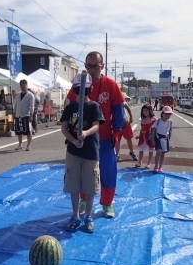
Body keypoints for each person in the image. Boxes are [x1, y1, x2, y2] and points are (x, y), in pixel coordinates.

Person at [66, 52, 124, 218]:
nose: (91, 69)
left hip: (105, 138)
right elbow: (71, 106)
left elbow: (118, 110)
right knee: (85, 171)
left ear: (102, 66)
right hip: (85, 139)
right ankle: (83, 200)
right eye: (88, 66)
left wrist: (116, 132)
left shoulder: (111, 85)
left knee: (107, 171)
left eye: (95, 66)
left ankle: (107, 203)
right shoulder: (79, 84)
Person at [60, 73, 105, 233]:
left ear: (90, 89)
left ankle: (88, 216)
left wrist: (85, 133)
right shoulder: (70, 107)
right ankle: (75, 215)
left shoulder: (94, 106)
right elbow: (64, 128)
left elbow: (97, 125)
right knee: (73, 186)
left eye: (84, 89)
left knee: (90, 186)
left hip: (90, 151)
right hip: (73, 151)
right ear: (74, 89)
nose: (81, 92)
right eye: (78, 89)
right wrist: (73, 140)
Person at [150, 105, 173, 173]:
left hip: (165, 138)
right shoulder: (158, 121)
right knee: (159, 151)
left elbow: (170, 130)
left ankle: (160, 167)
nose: (167, 116)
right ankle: (156, 166)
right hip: (158, 137)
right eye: (166, 114)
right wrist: (153, 139)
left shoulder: (170, 122)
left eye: (169, 114)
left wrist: (169, 138)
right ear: (162, 113)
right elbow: (154, 130)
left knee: (163, 153)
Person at [13, 79, 34, 151]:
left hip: (26, 115)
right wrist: (14, 112)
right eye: (21, 85)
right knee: (19, 131)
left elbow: (32, 106)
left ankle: (28, 145)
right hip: (18, 115)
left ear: (26, 85)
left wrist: (31, 115)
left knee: (28, 130)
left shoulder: (30, 95)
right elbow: (15, 104)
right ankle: (20, 144)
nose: (22, 86)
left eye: (23, 85)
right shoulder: (18, 94)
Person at [135, 104, 156, 169]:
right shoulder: (143, 120)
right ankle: (139, 162)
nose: (145, 112)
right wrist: (139, 136)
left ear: (150, 110)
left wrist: (153, 138)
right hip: (143, 137)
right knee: (141, 149)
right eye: (143, 111)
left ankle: (149, 163)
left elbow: (155, 129)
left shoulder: (154, 119)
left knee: (150, 150)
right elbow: (142, 128)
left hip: (150, 137)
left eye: (146, 110)